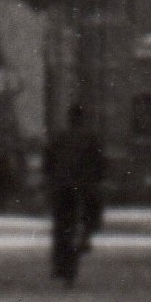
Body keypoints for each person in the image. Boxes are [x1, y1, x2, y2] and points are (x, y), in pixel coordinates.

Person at [43, 109, 108, 286]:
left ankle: (59, 265)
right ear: (82, 119)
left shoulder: (59, 138)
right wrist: (98, 179)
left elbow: (47, 162)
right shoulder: (91, 139)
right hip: (83, 188)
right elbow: (100, 164)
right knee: (92, 212)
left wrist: (51, 180)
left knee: (61, 226)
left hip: (62, 187)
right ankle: (87, 235)